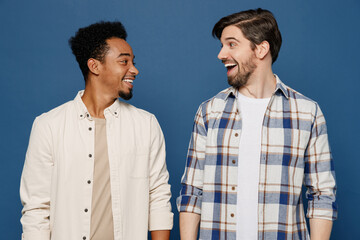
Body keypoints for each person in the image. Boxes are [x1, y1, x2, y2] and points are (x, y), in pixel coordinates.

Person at [177, 8, 337, 240]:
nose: (221, 54)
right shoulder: (209, 112)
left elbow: (322, 194)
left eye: (231, 44)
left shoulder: (307, 113)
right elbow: (192, 191)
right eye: (222, 45)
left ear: (261, 49)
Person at [20, 21, 173, 240]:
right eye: (124, 62)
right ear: (95, 66)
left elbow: (158, 196)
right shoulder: (49, 126)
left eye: (133, 62)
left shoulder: (146, 125)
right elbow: (36, 207)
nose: (134, 70)